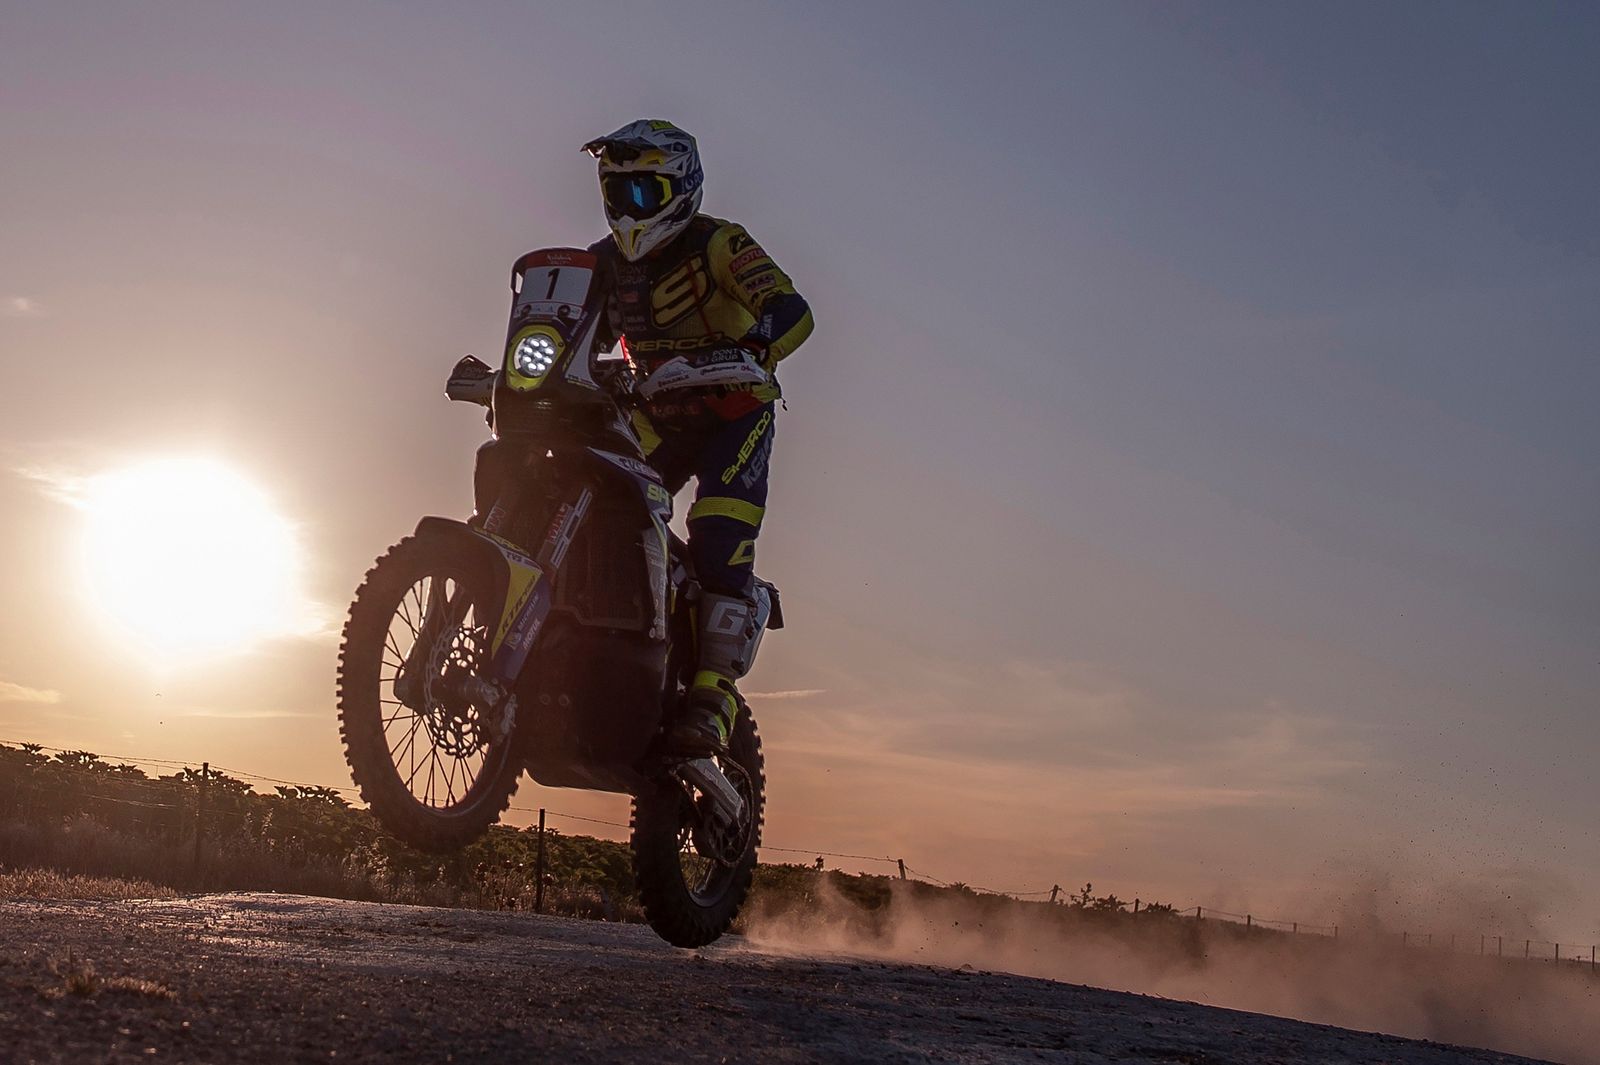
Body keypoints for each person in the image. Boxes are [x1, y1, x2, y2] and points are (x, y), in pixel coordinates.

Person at [581, 119, 813, 755]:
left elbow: (792, 309)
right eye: (618, 192)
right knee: (599, 500)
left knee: (717, 533)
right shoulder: (600, 262)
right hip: (655, 411)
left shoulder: (719, 243)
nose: (629, 208)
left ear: (681, 187)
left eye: (643, 193)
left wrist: (756, 347)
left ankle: (714, 692)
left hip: (732, 410)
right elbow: (573, 332)